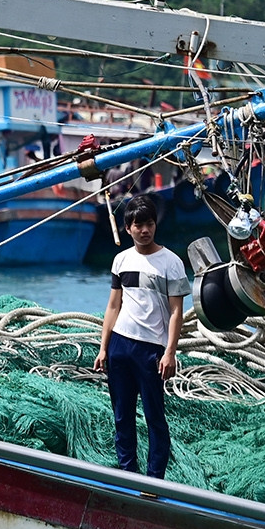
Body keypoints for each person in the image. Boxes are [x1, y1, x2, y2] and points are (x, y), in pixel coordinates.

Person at [94, 196, 188, 479]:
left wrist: (170, 352)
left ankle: (154, 479)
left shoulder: (171, 263)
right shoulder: (121, 260)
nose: (144, 230)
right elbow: (113, 306)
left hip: (151, 351)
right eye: (138, 224)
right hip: (120, 345)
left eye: (149, 223)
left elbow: (176, 312)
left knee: (154, 417)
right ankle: (127, 474)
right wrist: (103, 348)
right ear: (128, 228)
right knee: (122, 415)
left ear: (155, 225)